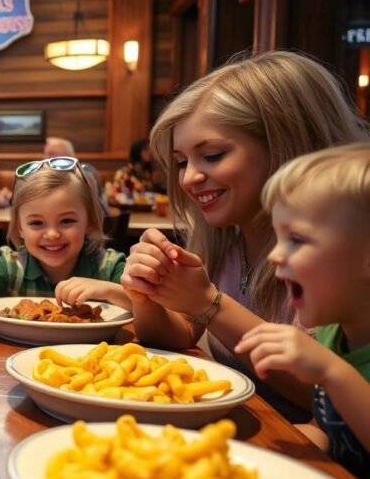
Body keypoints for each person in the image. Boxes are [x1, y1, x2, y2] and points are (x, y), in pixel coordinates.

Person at [120, 50, 370, 419]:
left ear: (286, 145)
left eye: (214, 155)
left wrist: (209, 302)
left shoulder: (334, 256)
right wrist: (148, 294)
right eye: (181, 162)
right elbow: (181, 333)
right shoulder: (223, 236)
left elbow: (323, 396)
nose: (188, 179)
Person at [235, 145, 370, 479]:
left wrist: (331, 371)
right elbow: (329, 428)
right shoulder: (333, 331)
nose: (275, 255)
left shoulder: (331, 358)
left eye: (296, 240)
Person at [0, 157, 129, 319]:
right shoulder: (11, 265)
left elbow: (149, 307)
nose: (52, 234)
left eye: (66, 221)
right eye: (36, 223)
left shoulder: (108, 266)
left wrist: (108, 290)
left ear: (90, 222)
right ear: (20, 228)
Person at [44, 136, 109, 216]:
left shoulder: (85, 171)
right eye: (45, 154)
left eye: (51, 154)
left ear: (67, 156)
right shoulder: (48, 174)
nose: (46, 158)